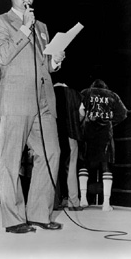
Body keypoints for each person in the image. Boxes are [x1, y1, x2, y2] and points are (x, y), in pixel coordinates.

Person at [0, 0, 65, 233]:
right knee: (10, 161)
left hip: (44, 101)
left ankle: (39, 213)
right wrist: (23, 28)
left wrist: (55, 61)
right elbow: (3, 55)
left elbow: (44, 65)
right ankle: (13, 219)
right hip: (16, 100)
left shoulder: (41, 26)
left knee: (51, 153)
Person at [79, 79, 127, 211]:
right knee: (106, 165)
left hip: (88, 132)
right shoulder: (112, 95)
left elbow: (79, 111)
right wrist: (110, 121)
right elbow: (123, 114)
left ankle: (83, 199)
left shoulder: (85, 93)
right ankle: (106, 203)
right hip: (105, 134)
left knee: (84, 164)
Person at [54, 83, 85, 211]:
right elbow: (82, 113)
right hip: (71, 134)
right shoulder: (76, 94)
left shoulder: (49, 91)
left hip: (54, 134)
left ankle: (53, 202)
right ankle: (73, 202)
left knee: (52, 166)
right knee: (71, 167)